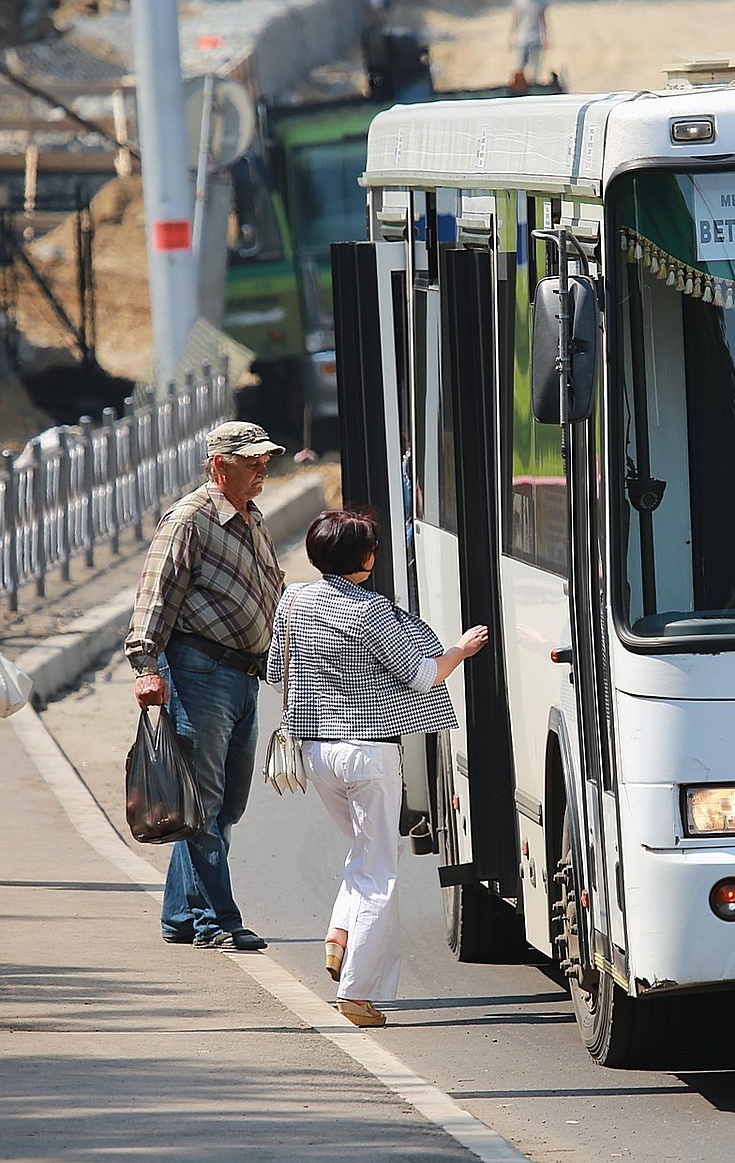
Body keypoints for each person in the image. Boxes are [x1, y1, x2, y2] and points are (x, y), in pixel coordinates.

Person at [267, 508, 488, 1028]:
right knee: (380, 873)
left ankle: (339, 935)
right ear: (362, 558)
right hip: (370, 752)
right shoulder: (372, 612)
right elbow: (423, 675)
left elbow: (276, 673)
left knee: (364, 855)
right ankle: (356, 993)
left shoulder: (293, 602)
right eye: (371, 548)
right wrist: (462, 648)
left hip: (317, 752)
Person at [125, 420, 286, 950]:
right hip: (199, 671)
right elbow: (156, 594)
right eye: (252, 461)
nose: (263, 467)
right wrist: (146, 666)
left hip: (243, 674)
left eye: (265, 459)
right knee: (207, 804)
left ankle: (180, 916)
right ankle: (219, 920)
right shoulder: (190, 519)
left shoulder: (252, 518)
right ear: (220, 464)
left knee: (222, 804)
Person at [509, 0, 548, 86]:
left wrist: (545, 37)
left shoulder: (540, 0)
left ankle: (533, 85)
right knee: (521, 64)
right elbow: (515, 19)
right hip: (522, 37)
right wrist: (511, 37)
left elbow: (543, 20)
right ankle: (520, 86)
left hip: (535, 37)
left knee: (536, 65)